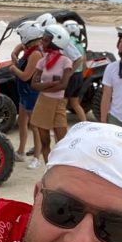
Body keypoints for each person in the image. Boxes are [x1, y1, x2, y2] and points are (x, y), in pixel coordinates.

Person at [28, 23, 74, 166]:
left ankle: (61, 167)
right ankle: (49, 166)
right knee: (45, 141)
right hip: (44, 102)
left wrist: (43, 87)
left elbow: (64, 85)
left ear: (56, 41)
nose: (42, 42)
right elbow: (33, 84)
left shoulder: (65, 61)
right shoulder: (43, 61)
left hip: (58, 103)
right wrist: (50, 85)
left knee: (62, 141)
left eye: (46, 39)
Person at [9, 20, 45, 166]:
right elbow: (20, 47)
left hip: (32, 94)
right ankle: (21, 151)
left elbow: (26, 76)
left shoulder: (35, 53)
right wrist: (14, 53)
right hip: (24, 93)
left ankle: (36, 158)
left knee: (34, 126)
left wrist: (13, 69)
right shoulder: (29, 48)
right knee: (22, 122)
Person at [62, 19, 87, 123]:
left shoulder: (67, 43)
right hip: (79, 75)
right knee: (75, 103)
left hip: (71, 75)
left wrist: (68, 74)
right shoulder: (80, 44)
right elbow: (84, 62)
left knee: (62, 104)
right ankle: (85, 122)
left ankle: (60, 125)